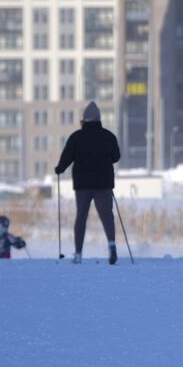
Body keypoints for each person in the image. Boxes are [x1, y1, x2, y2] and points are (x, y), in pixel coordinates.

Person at [54, 102, 121, 265]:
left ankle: (78, 253)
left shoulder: (76, 137)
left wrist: (59, 169)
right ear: (99, 119)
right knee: (107, 216)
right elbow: (116, 157)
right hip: (103, 184)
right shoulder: (108, 136)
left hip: (83, 185)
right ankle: (112, 245)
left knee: (81, 217)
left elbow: (67, 157)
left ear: (83, 119)